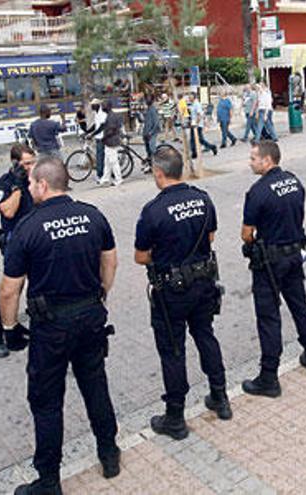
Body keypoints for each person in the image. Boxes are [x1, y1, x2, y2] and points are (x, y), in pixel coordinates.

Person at [0, 157, 121, 494]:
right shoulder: (93, 215)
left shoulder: (27, 227)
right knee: (95, 385)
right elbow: (110, 260)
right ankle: (109, 454)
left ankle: (49, 480)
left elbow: (10, 289)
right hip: (90, 317)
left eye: (30, 184)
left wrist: (9, 328)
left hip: (51, 327)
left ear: (42, 185)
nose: (27, 189)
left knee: (47, 401)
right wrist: (101, 294)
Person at [134, 147, 231, 440]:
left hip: (171, 291)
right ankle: (220, 397)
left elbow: (140, 257)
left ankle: (175, 417)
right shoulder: (203, 199)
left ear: (159, 173)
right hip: (203, 283)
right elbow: (211, 237)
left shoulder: (153, 210)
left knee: (173, 352)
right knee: (205, 335)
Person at [241, 141, 306, 397]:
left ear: (267, 160)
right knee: (300, 305)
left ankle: (269, 377)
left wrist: (254, 242)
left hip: (270, 262)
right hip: (294, 254)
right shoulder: (294, 182)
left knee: (268, 317)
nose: (250, 162)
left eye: (253, 158)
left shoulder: (258, 191)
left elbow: (246, 233)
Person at [0, 144, 35, 358]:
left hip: (36, 240)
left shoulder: (34, 180)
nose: (30, 167)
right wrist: (17, 185)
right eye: (26, 164)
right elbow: (8, 211)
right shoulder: (4, 184)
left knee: (33, 284)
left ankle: (17, 326)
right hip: (14, 242)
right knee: (12, 288)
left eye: (33, 162)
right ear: (15, 163)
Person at [99, 101, 124, 187]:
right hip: (109, 142)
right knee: (107, 162)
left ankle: (118, 179)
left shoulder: (111, 117)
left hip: (111, 142)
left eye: (103, 106)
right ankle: (105, 179)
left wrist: (104, 137)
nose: (102, 107)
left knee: (113, 162)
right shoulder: (110, 115)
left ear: (108, 107)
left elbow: (112, 130)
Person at [186, 92, 217, 159]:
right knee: (199, 139)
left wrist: (196, 123)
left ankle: (195, 153)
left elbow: (200, 115)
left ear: (194, 97)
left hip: (197, 125)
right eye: (189, 96)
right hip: (194, 124)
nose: (189, 98)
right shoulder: (192, 104)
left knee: (195, 139)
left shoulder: (197, 104)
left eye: (190, 96)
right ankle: (211, 147)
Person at [84, 99, 107, 183]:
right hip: (98, 137)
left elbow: (102, 127)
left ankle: (100, 175)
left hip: (103, 137)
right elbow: (95, 125)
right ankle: (103, 174)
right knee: (100, 156)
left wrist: (92, 134)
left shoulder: (102, 113)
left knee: (100, 157)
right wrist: (87, 132)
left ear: (97, 105)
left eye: (93, 105)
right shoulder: (96, 113)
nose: (91, 107)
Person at [142, 94, 161, 171]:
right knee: (148, 150)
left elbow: (156, 123)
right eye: (146, 99)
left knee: (152, 148)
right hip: (146, 132)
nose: (146, 101)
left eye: (148, 99)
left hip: (152, 133)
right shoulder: (148, 109)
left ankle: (158, 166)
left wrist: (151, 132)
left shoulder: (153, 109)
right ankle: (151, 165)